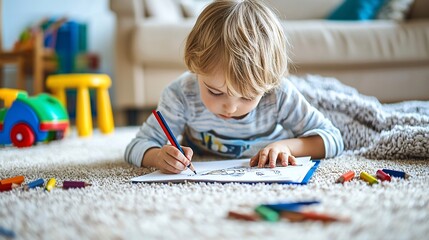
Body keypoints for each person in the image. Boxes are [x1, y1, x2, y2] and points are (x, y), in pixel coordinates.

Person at [125, 0, 344, 173]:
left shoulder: (279, 95)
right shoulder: (181, 94)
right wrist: (158, 156)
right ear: (196, 67)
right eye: (215, 92)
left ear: (268, 84)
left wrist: (287, 147)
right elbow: (137, 146)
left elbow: (333, 138)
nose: (230, 107)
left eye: (247, 97)